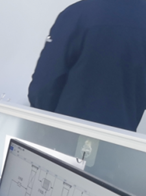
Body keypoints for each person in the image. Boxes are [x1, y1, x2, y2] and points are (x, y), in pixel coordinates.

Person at [28, 0, 146, 131]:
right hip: (121, 137)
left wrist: (45, 122)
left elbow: (43, 85)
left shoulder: (78, 14)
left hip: (65, 132)